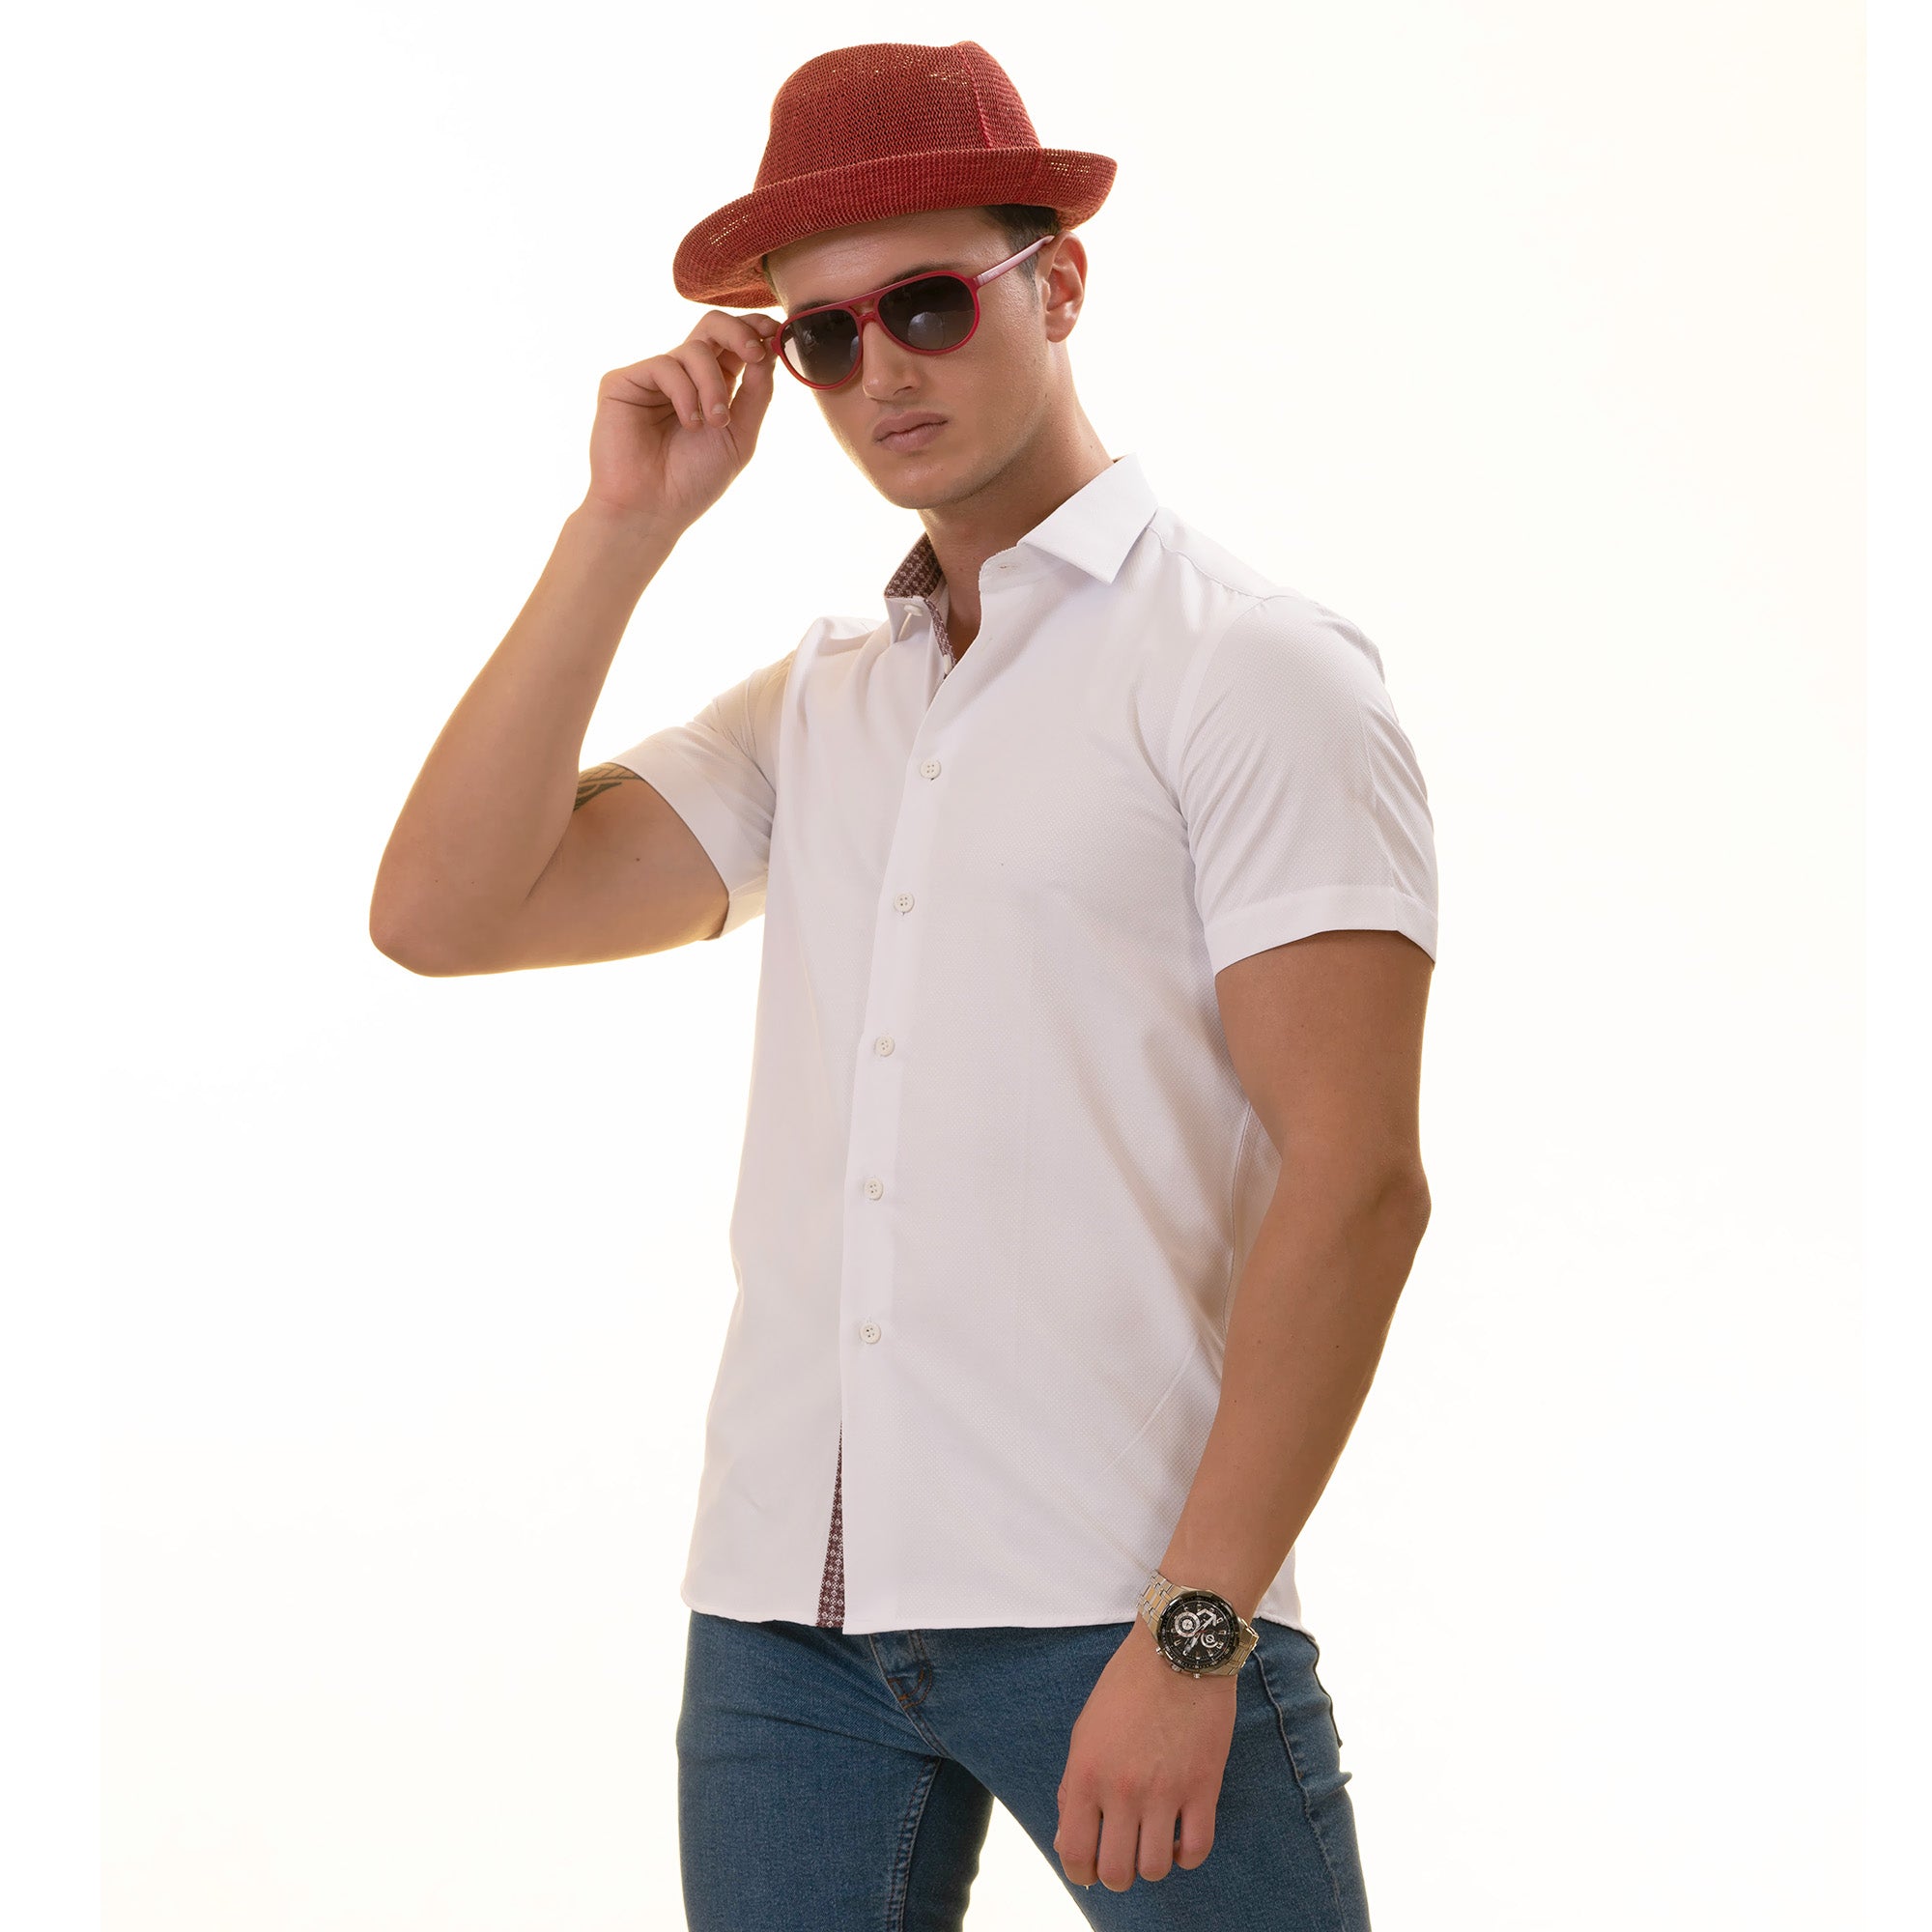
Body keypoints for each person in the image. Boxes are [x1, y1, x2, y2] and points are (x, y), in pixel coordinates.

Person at [370, 37, 1437, 1931]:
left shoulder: (1248, 671)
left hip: (1117, 1595)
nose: (882, 370)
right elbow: (448, 912)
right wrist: (623, 530)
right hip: (786, 1625)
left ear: (1061, 283)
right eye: (823, 337)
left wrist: (1195, 1633)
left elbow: (1357, 1182)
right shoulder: (825, 702)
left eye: (929, 302)